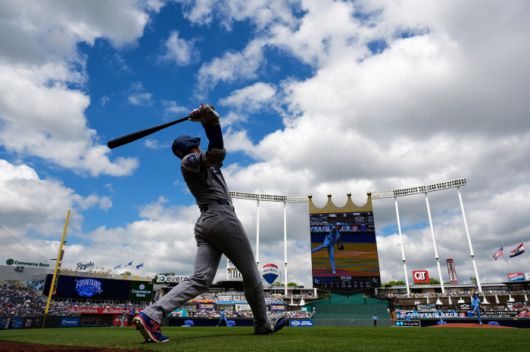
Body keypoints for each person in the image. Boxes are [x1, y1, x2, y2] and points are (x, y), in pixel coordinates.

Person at [133, 104, 286, 343]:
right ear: (192, 147)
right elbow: (216, 153)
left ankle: (152, 314)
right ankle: (262, 325)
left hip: (206, 222)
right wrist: (210, 123)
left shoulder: (199, 163)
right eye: (197, 144)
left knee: (201, 279)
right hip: (221, 218)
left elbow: (215, 156)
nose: (199, 146)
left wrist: (208, 121)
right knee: (252, 276)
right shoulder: (190, 160)